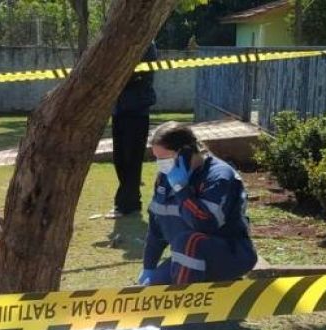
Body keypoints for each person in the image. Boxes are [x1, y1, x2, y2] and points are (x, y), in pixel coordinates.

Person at [139, 122, 257, 286]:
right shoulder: (166, 178)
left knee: (189, 241)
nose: (161, 164)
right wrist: (148, 267)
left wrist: (181, 189)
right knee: (150, 292)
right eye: (157, 158)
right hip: (187, 257)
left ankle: (182, 304)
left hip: (231, 254)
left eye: (165, 158)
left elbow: (204, 224)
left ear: (186, 152)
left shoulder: (219, 176)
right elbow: (156, 227)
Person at [108, 42, 158, 219]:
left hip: (137, 110)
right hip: (120, 109)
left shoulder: (146, 46)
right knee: (120, 159)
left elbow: (138, 75)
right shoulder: (121, 45)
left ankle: (127, 205)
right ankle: (129, 202)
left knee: (131, 159)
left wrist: (115, 76)